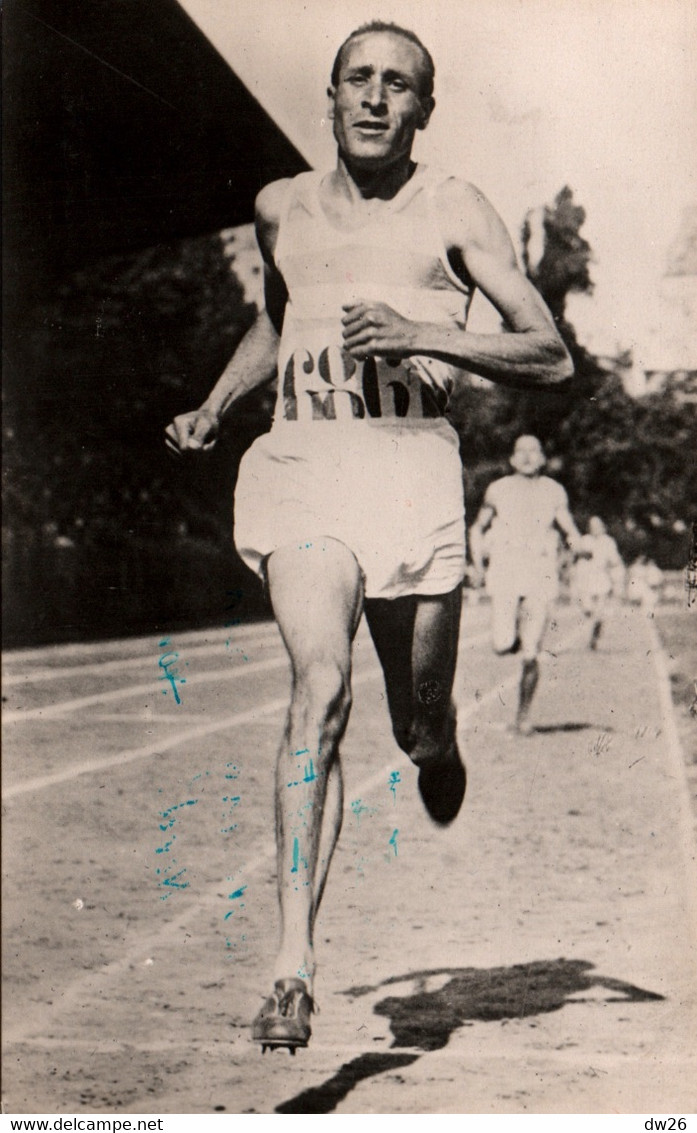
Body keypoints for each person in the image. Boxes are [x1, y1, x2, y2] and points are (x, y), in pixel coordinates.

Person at [165, 22, 573, 1052]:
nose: (377, 98)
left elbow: (548, 354)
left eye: (401, 85)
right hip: (302, 467)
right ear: (332, 95)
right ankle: (291, 966)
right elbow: (280, 314)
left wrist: (420, 329)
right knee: (319, 688)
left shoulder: (455, 209)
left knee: (414, 717)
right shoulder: (279, 207)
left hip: (408, 471)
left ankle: (436, 741)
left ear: (424, 110)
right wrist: (217, 402)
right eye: (360, 79)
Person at [469, 435, 581, 734]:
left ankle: (523, 716)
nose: (529, 456)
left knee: (532, 652)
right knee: (501, 644)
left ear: (543, 458)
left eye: (535, 450)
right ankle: (514, 638)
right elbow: (477, 528)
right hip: (505, 570)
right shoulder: (498, 489)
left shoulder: (554, 491)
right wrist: (478, 563)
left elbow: (567, 524)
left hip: (539, 572)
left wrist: (577, 541)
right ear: (512, 459)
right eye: (522, 451)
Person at [574, 516, 624, 648]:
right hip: (586, 578)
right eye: (592, 526)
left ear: (603, 527)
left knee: (599, 610)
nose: (595, 528)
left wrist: (615, 574)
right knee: (587, 608)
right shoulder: (585, 540)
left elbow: (615, 560)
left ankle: (595, 635)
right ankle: (596, 623)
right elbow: (577, 554)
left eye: (598, 525)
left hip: (601, 578)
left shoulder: (608, 542)